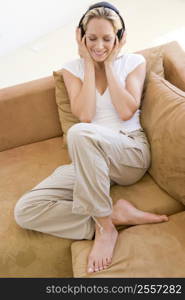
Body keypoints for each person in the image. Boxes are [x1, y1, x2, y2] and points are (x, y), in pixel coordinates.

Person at [14, 2, 168, 274]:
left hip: (128, 152)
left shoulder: (133, 62)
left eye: (107, 39)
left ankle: (104, 229)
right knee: (26, 210)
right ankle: (111, 213)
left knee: (79, 133)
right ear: (81, 37)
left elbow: (125, 110)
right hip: (90, 160)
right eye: (92, 38)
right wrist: (88, 63)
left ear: (119, 39)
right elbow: (85, 114)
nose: (99, 46)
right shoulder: (73, 69)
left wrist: (108, 64)